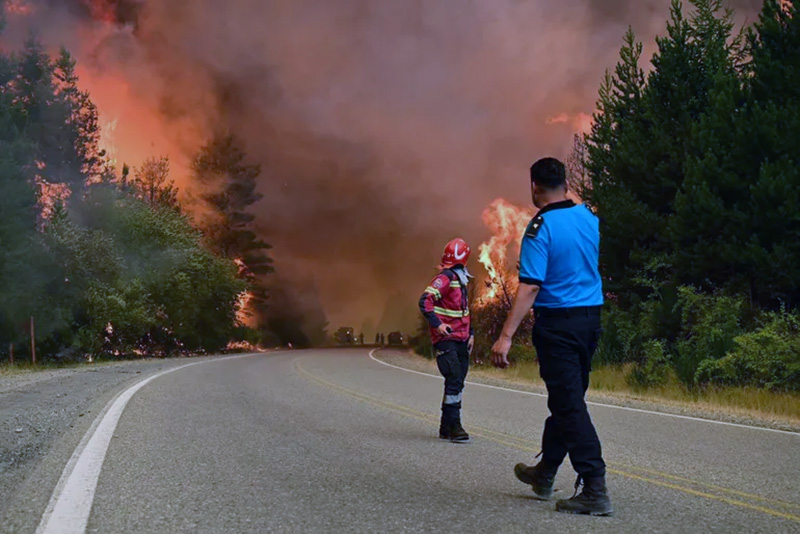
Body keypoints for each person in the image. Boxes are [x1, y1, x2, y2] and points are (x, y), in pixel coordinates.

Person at [490, 157, 612, 516]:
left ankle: (595, 487)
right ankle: (544, 474)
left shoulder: (539, 227)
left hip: (558, 325)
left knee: (569, 405)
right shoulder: (588, 217)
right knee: (567, 399)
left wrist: (506, 335)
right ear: (565, 182)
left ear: (534, 187)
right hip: (590, 321)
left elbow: (529, 286)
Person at [419, 238, 475, 442]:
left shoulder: (461, 279)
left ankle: (445, 426)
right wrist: (438, 325)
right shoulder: (445, 277)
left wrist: (471, 334)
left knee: (457, 382)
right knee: (453, 378)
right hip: (446, 338)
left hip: (461, 338)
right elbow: (425, 300)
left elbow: (465, 311)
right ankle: (455, 426)